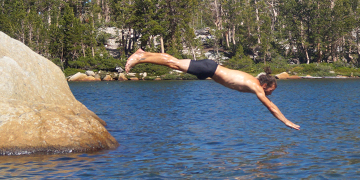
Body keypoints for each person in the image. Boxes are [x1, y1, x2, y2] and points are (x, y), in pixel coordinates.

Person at [124, 49, 300, 130]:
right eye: (271, 90)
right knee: (173, 63)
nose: (270, 94)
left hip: (210, 69)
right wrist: (286, 121)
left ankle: (143, 54)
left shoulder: (254, 80)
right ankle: (141, 57)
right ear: (265, 86)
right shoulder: (256, 87)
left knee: (174, 63)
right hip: (210, 68)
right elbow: (271, 107)